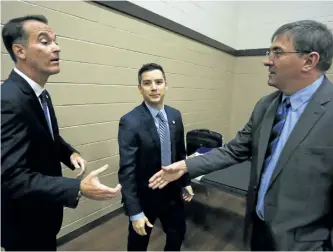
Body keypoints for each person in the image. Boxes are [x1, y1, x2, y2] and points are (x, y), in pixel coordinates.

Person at [149, 20, 333, 251]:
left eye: (277, 52)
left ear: (309, 61)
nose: (267, 60)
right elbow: (235, 150)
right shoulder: (265, 106)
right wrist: (186, 166)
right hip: (257, 232)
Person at [1, 15, 121, 251]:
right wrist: (77, 188)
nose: (57, 47)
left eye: (55, 41)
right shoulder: (8, 101)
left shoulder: (40, 94)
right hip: (25, 225)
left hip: (44, 215)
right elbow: (11, 177)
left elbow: (46, 136)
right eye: (45, 42)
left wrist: (69, 154)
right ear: (20, 50)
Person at [118, 63, 194, 251]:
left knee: (177, 234)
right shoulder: (130, 122)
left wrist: (185, 182)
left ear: (166, 85)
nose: (154, 87)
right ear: (140, 88)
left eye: (159, 82)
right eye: (147, 83)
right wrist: (134, 213)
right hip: (145, 196)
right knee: (138, 244)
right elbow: (127, 171)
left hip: (172, 192)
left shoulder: (174, 115)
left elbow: (180, 154)